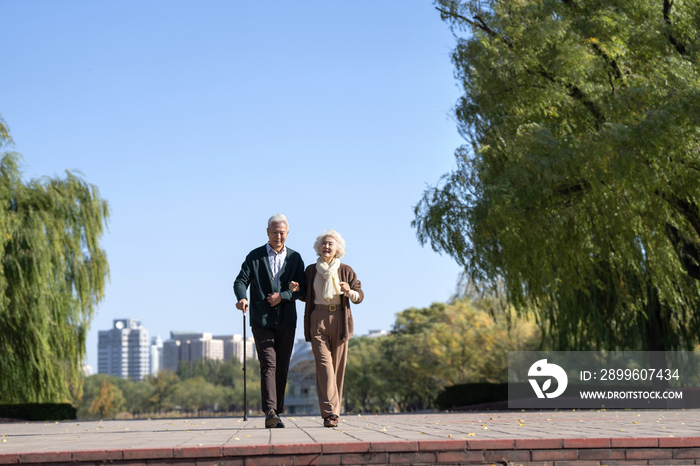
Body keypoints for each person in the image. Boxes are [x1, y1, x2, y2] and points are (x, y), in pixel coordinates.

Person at [233, 214, 306, 428]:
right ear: (267, 232)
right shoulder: (254, 257)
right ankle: (270, 411)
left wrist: (283, 296)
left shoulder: (295, 258)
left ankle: (276, 410)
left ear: (288, 233)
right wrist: (242, 298)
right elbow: (240, 280)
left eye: (282, 232)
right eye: (274, 232)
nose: (278, 236)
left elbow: (302, 288)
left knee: (282, 367)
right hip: (261, 320)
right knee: (268, 364)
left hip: (286, 321)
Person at [292, 229, 363, 428]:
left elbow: (359, 295)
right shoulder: (311, 270)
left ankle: (334, 413)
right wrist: (297, 289)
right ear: (318, 247)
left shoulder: (346, 270)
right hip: (318, 319)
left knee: (337, 369)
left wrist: (349, 292)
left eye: (331, 244)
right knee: (325, 367)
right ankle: (330, 413)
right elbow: (305, 295)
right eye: (323, 243)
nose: (326, 246)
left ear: (337, 248)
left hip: (339, 319)